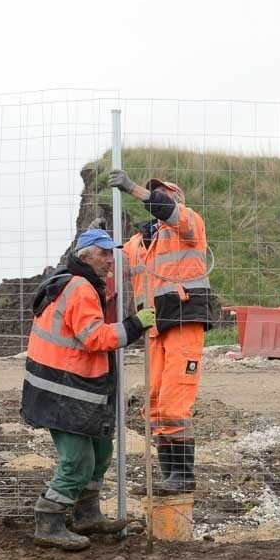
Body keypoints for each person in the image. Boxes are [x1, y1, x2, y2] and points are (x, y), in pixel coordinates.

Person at [21, 227, 155, 551]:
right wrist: (135, 325)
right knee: (78, 460)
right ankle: (48, 519)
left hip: (66, 387)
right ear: (86, 255)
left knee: (100, 450)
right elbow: (94, 337)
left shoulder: (76, 283)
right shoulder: (79, 288)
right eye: (105, 253)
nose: (111, 260)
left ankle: (87, 514)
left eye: (112, 253)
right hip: (62, 391)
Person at [108, 169, 213, 493]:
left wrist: (132, 188)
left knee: (173, 402)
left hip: (184, 320)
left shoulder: (189, 225)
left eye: (162, 196)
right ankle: (169, 476)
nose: (157, 202)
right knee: (154, 403)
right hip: (154, 327)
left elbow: (166, 210)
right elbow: (112, 265)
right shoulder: (138, 244)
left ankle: (182, 475)